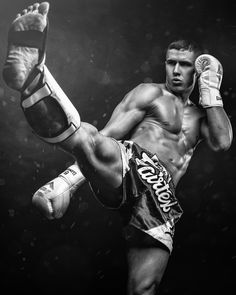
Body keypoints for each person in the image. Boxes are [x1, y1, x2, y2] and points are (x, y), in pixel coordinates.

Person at [3, 2, 233, 295]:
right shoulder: (149, 93)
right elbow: (105, 136)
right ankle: (32, 77)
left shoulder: (202, 117)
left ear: (197, 69)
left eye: (185, 64)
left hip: (162, 198)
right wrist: (66, 183)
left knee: (143, 288)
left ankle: (32, 78)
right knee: (88, 137)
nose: (175, 70)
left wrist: (211, 88)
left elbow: (222, 141)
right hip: (133, 163)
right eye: (170, 62)